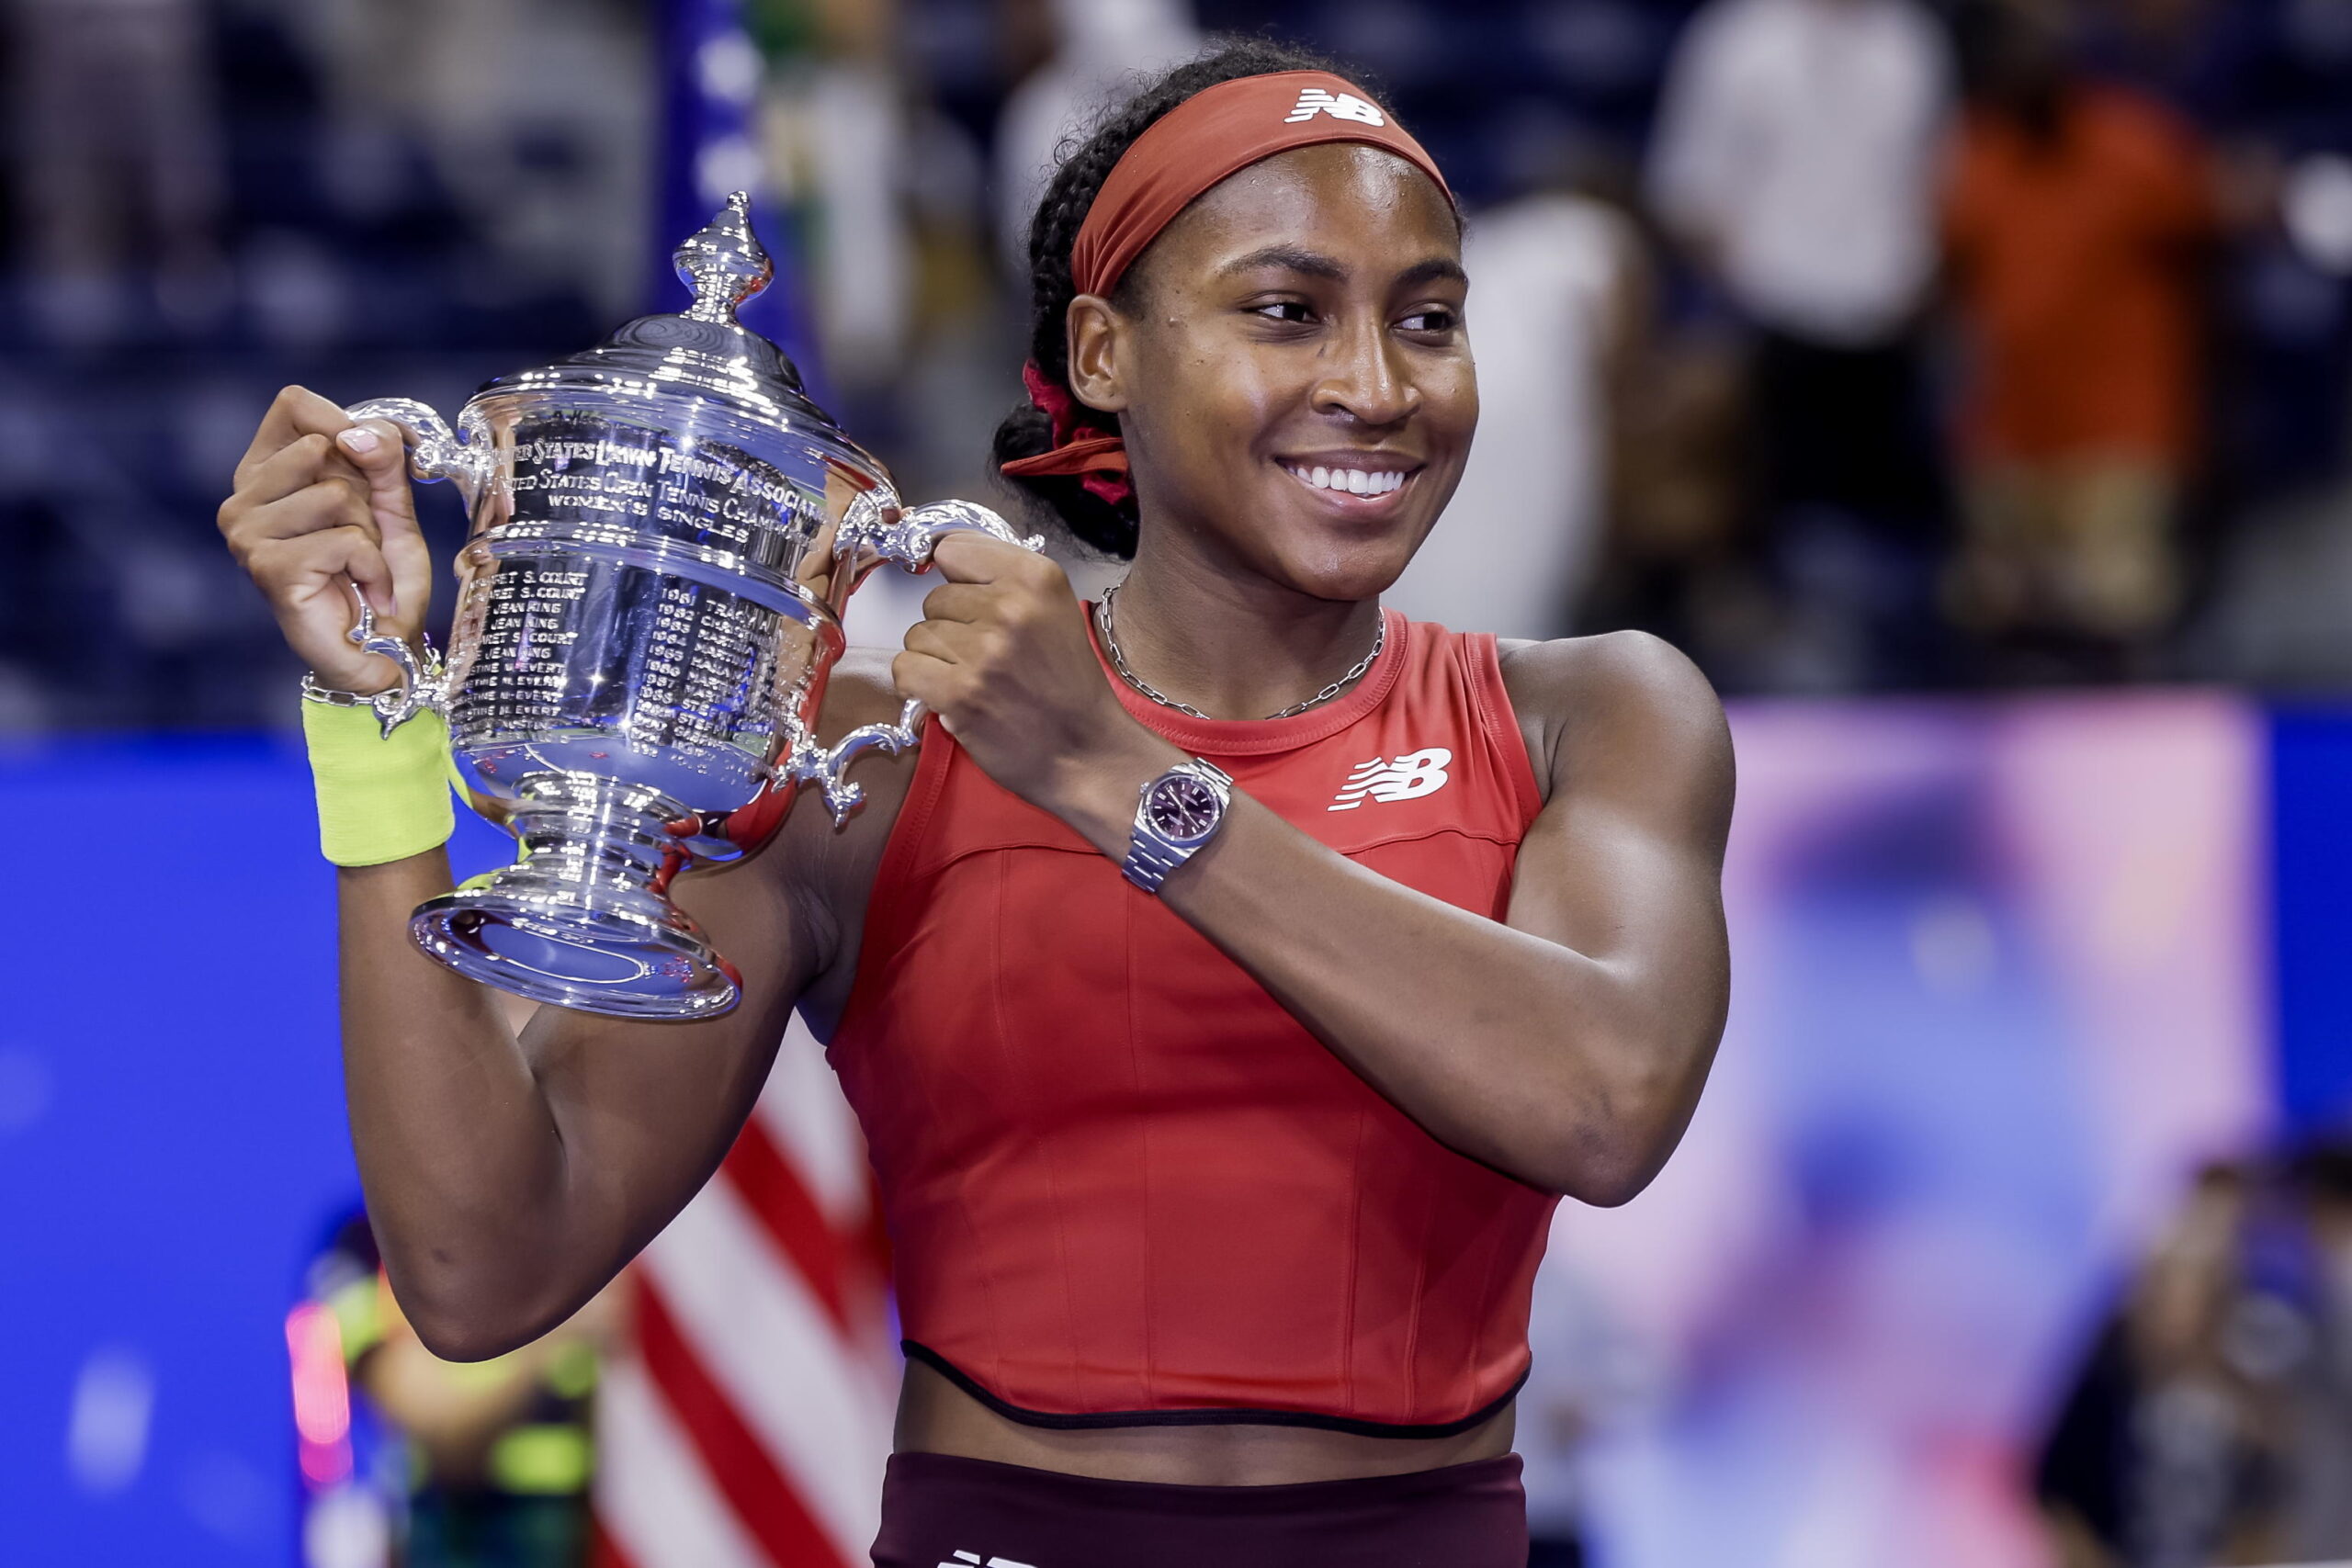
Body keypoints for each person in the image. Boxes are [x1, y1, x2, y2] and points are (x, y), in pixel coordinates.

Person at [215, 40, 1733, 1564]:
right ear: (1104, 352)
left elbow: (1604, 1106)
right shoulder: (868, 761)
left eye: (1428, 320)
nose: (1377, 385)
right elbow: (480, 1268)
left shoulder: (1594, 713)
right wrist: (375, 724)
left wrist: (1110, 770)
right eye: (1288, 311)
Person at [1941, 0, 2218, 657]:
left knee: (2120, 600)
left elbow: (2208, 234)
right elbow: (1948, 278)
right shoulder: (1974, 155)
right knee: (1998, 601)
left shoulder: (2136, 145)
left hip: (2120, 424)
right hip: (2010, 427)